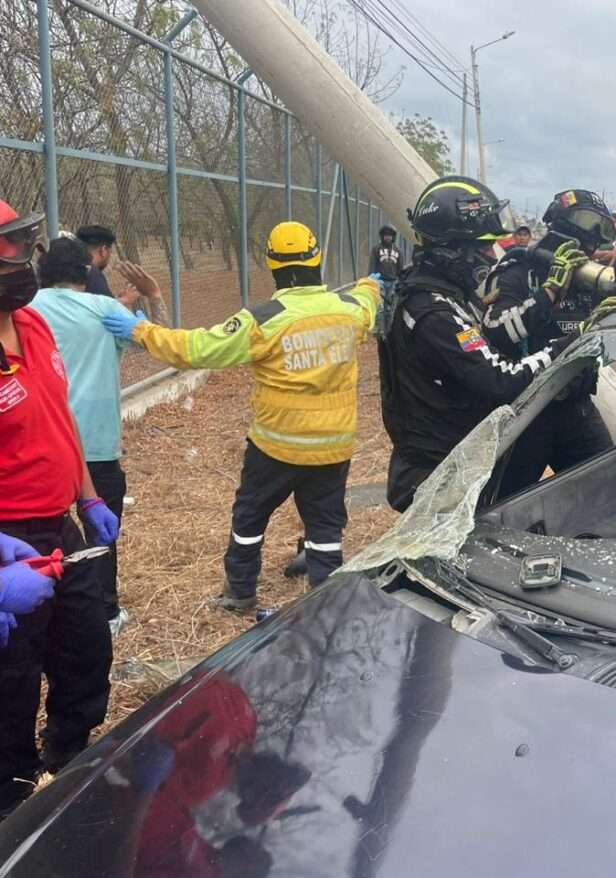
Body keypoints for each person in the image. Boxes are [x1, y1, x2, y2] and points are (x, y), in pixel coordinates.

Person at [101, 221, 379, 611]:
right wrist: (373, 283)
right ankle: (327, 599)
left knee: (250, 517)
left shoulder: (264, 320)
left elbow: (196, 349)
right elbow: (368, 299)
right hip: (333, 445)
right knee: (326, 524)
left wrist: (141, 330)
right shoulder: (349, 309)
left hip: (276, 446)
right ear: (317, 260)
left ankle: (241, 592)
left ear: (273, 266)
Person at [382, 176, 610, 511]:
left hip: (456, 454)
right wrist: (571, 339)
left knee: (606, 492)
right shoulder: (433, 312)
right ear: (452, 249)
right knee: (501, 515)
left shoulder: (441, 298)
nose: (491, 256)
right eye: (483, 247)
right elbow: (501, 378)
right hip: (441, 468)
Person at [0, 200, 118, 819]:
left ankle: (66, 764)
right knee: (11, 682)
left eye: (26, 244)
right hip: (7, 538)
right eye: (13, 248)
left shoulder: (33, 325)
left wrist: (89, 494)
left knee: (86, 651)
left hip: (59, 524)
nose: (27, 260)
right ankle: (13, 801)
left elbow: (58, 416)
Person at [479, 188, 616, 496]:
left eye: (605, 228)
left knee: (611, 493)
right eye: (590, 223)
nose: (595, 238)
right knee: (500, 507)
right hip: (526, 411)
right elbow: (495, 329)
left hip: (576, 405)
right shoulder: (516, 270)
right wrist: (549, 292)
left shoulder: (592, 277)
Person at [29, 238, 157, 635]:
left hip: (44, 439)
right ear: (88, 271)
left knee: (40, 528)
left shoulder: (25, 312)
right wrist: (152, 296)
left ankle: (41, 602)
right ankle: (106, 609)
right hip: (97, 444)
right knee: (101, 531)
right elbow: (161, 340)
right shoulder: (106, 310)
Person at [75, 225, 115, 298]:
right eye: (110, 252)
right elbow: (105, 308)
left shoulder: (68, 269)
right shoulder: (93, 274)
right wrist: (126, 300)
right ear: (103, 250)